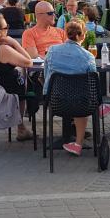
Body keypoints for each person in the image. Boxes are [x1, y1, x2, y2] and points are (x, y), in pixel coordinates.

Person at [44, 20, 98, 156]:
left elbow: (47, 75)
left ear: (66, 34)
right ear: (83, 36)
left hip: (55, 101)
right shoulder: (88, 57)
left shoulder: (52, 51)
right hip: (80, 104)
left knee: (78, 96)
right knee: (83, 97)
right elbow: (92, 81)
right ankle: (78, 143)